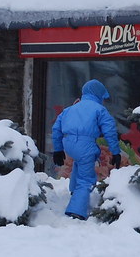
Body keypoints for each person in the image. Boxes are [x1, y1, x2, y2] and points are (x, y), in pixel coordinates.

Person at [51, 79, 122, 219]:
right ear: (99, 95)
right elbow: (110, 132)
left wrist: (58, 149)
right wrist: (115, 152)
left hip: (68, 144)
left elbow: (56, 129)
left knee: (79, 163)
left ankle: (74, 191)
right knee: (87, 179)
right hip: (85, 145)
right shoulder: (99, 109)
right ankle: (76, 210)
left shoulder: (69, 109)